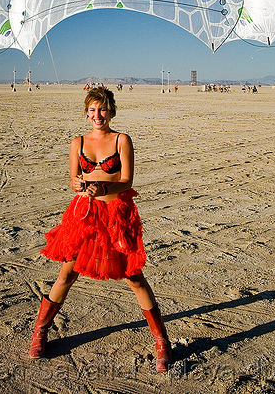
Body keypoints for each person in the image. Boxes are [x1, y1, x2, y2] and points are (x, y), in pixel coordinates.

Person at [28, 87, 172, 372]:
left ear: (111, 111)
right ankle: (40, 332)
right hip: (84, 215)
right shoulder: (77, 141)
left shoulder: (122, 140)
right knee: (67, 273)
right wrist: (77, 184)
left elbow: (128, 181)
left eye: (103, 109)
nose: (98, 115)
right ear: (86, 112)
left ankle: (162, 342)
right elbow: (72, 177)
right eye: (92, 110)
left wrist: (104, 186)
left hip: (116, 213)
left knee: (133, 276)